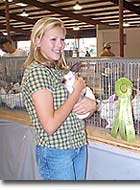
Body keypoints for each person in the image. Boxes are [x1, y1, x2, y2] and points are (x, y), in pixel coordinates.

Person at [21, 17, 97, 180]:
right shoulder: (37, 72)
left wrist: (91, 105)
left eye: (62, 39)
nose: (59, 45)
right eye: (53, 39)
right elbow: (50, 125)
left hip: (77, 144)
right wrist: (76, 92)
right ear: (37, 40)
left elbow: (74, 109)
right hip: (56, 150)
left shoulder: (61, 72)